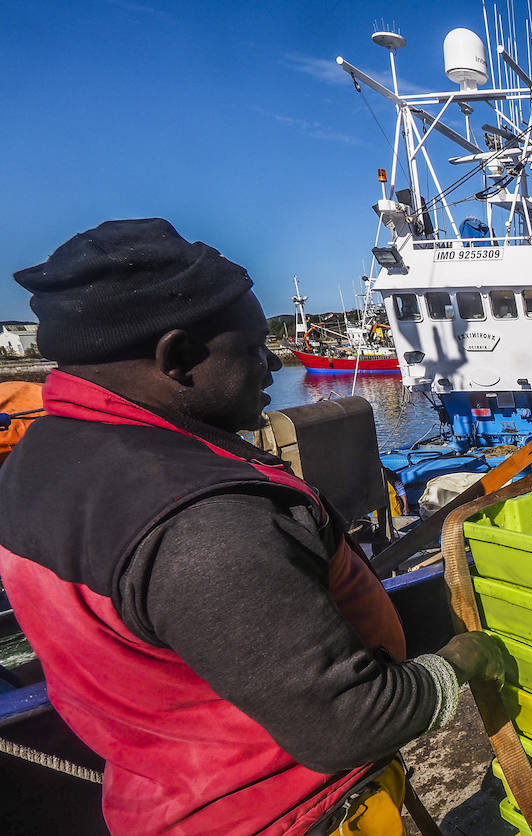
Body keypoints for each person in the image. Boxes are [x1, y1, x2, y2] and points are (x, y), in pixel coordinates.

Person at [0, 219, 504, 835]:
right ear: (178, 357)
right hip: (290, 813)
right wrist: (459, 664)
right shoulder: (201, 519)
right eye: (253, 348)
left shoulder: (42, 457)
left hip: (169, 790)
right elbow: (350, 721)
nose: (271, 366)